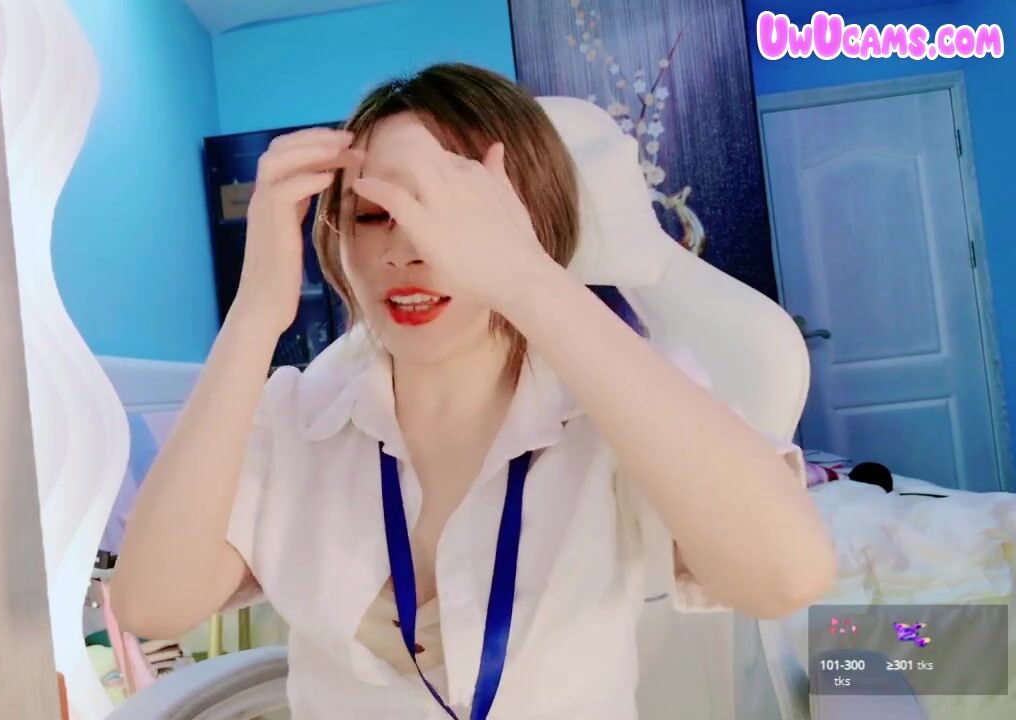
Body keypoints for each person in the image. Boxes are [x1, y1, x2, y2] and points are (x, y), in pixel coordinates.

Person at [113, 63, 836, 719]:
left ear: (529, 221)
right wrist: (254, 315)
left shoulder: (618, 396)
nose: (406, 249)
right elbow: (152, 603)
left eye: (448, 211)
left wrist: (527, 279)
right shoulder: (296, 415)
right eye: (372, 214)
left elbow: (786, 576)